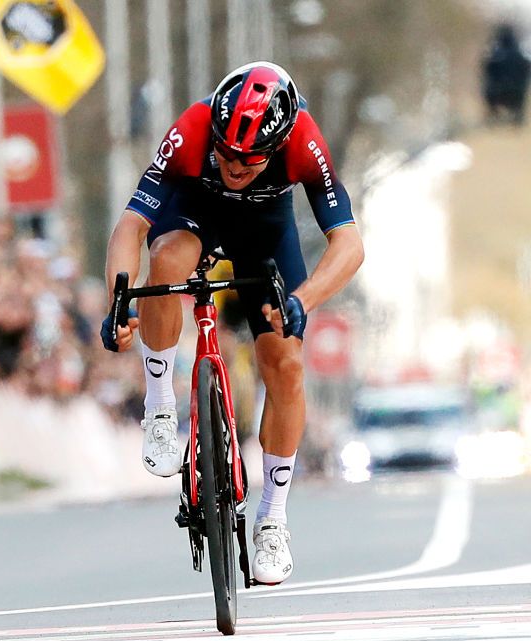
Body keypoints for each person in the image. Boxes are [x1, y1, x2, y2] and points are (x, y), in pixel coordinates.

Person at [100, 62, 363, 585]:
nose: (230, 166)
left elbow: (349, 244)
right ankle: (159, 406)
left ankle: (273, 518)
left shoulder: (303, 142)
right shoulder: (193, 130)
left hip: (264, 232)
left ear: (275, 148)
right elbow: (132, 224)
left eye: (246, 163)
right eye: (223, 153)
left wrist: (303, 301)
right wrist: (118, 301)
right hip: (194, 214)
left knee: (285, 363)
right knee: (167, 260)